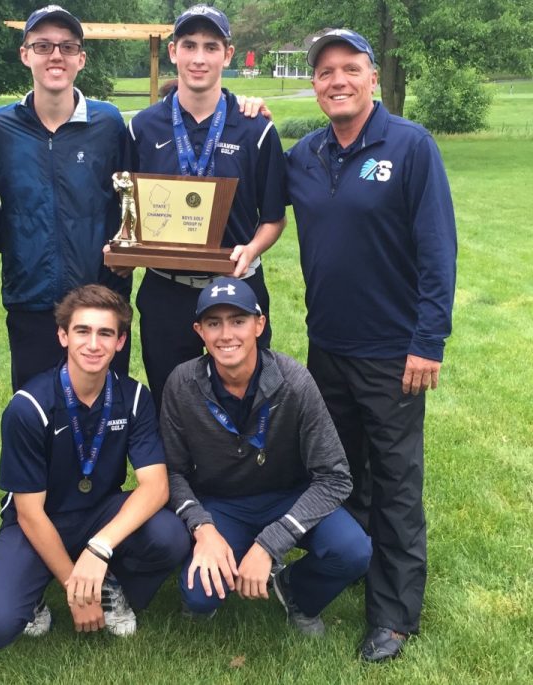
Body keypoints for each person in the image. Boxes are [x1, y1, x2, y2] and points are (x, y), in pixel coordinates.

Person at [284, 29, 457, 661]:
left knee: (395, 483)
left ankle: (393, 615)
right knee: (338, 476)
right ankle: (344, 571)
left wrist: (427, 341)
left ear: (372, 77)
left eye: (349, 69)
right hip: (327, 348)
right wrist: (244, 112)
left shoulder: (410, 147)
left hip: (393, 354)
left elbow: (439, 251)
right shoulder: (303, 155)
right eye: (325, 72)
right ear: (315, 83)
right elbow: (255, 207)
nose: (337, 81)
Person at [0, 285, 190, 648]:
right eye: (82, 331)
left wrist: (100, 547)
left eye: (106, 333)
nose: (93, 344)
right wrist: (75, 588)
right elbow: (28, 513)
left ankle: (110, 584)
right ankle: (45, 593)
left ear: (120, 342)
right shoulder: (28, 407)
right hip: (40, 519)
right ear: (62, 336)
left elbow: (156, 487)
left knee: (171, 536)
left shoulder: (134, 397)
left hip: (99, 511)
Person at [161, 277, 371, 635]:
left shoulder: (295, 382)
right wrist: (203, 527)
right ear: (200, 331)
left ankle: (295, 590)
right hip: (223, 504)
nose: (227, 334)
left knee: (354, 551)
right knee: (199, 596)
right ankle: (226, 559)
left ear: (259, 324)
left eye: (238, 321)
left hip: (289, 496)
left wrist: (271, 543)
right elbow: (173, 473)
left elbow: (336, 476)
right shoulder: (182, 384)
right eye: (214, 323)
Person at [125, 4, 288, 408]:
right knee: (171, 399)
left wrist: (252, 249)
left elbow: (273, 218)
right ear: (173, 52)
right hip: (167, 289)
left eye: (211, 46)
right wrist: (125, 247)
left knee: (246, 396)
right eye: (190, 45)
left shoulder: (256, 128)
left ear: (227, 54)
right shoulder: (143, 127)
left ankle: (243, 470)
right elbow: (127, 210)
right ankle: (179, 473)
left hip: (238, 286)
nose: (199, 58)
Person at [0, 5, 132, 391]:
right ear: (25, 55)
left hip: (100, 301)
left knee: (106, 411)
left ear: (81, 58)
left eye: (66, 46)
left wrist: (125, 256)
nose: (55, 55)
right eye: (43, 46)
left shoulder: (108, 123)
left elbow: (134, 200)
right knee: (36, 410)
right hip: (31, 300)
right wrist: (9, 240)